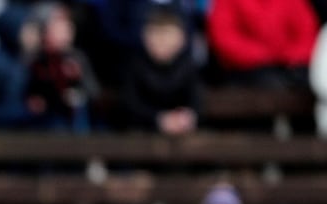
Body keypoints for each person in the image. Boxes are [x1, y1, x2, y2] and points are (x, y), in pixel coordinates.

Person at [122, 3, 200, 135]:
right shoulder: (134, 65)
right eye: (156, 34)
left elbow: (196, 102)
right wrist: (159, 119)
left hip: (181, 134)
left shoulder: (189, 66)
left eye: (167, 35)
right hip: (141, 135)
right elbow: (130, 104)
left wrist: (185, 117)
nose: (161, 41)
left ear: (181, 39)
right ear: (144, 37)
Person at [206, 0, 318, 89]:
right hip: (244, 71)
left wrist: (288, 56)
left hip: (288, 67)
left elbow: (308, 33)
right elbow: (223, 38)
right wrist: (264, 55)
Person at [24, 1, 99, 133]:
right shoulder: (35, 59)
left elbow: (93, 92)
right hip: (43, 121)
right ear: (46, 31)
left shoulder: (77, 58)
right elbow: (27, 94)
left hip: (74, 120)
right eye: (59, 26)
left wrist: (78, 78)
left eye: (68, 27)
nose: (66, 32)